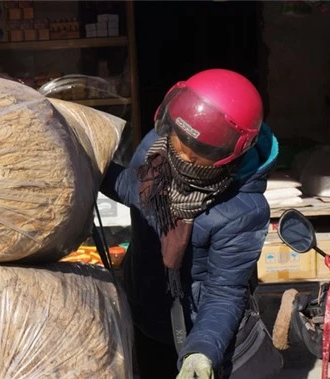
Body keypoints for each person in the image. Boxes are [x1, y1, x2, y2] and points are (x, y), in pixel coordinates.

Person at [100, 69, 281, 378]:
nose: (179, 157)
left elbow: (224, 293)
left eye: (195, 159)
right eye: (177, 142)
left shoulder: (243, 211)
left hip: (199, 327)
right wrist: (90, 167)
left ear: (228, 157)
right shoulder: (160, 148)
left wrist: (203, 351)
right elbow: (134, 188)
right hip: (144, 311)